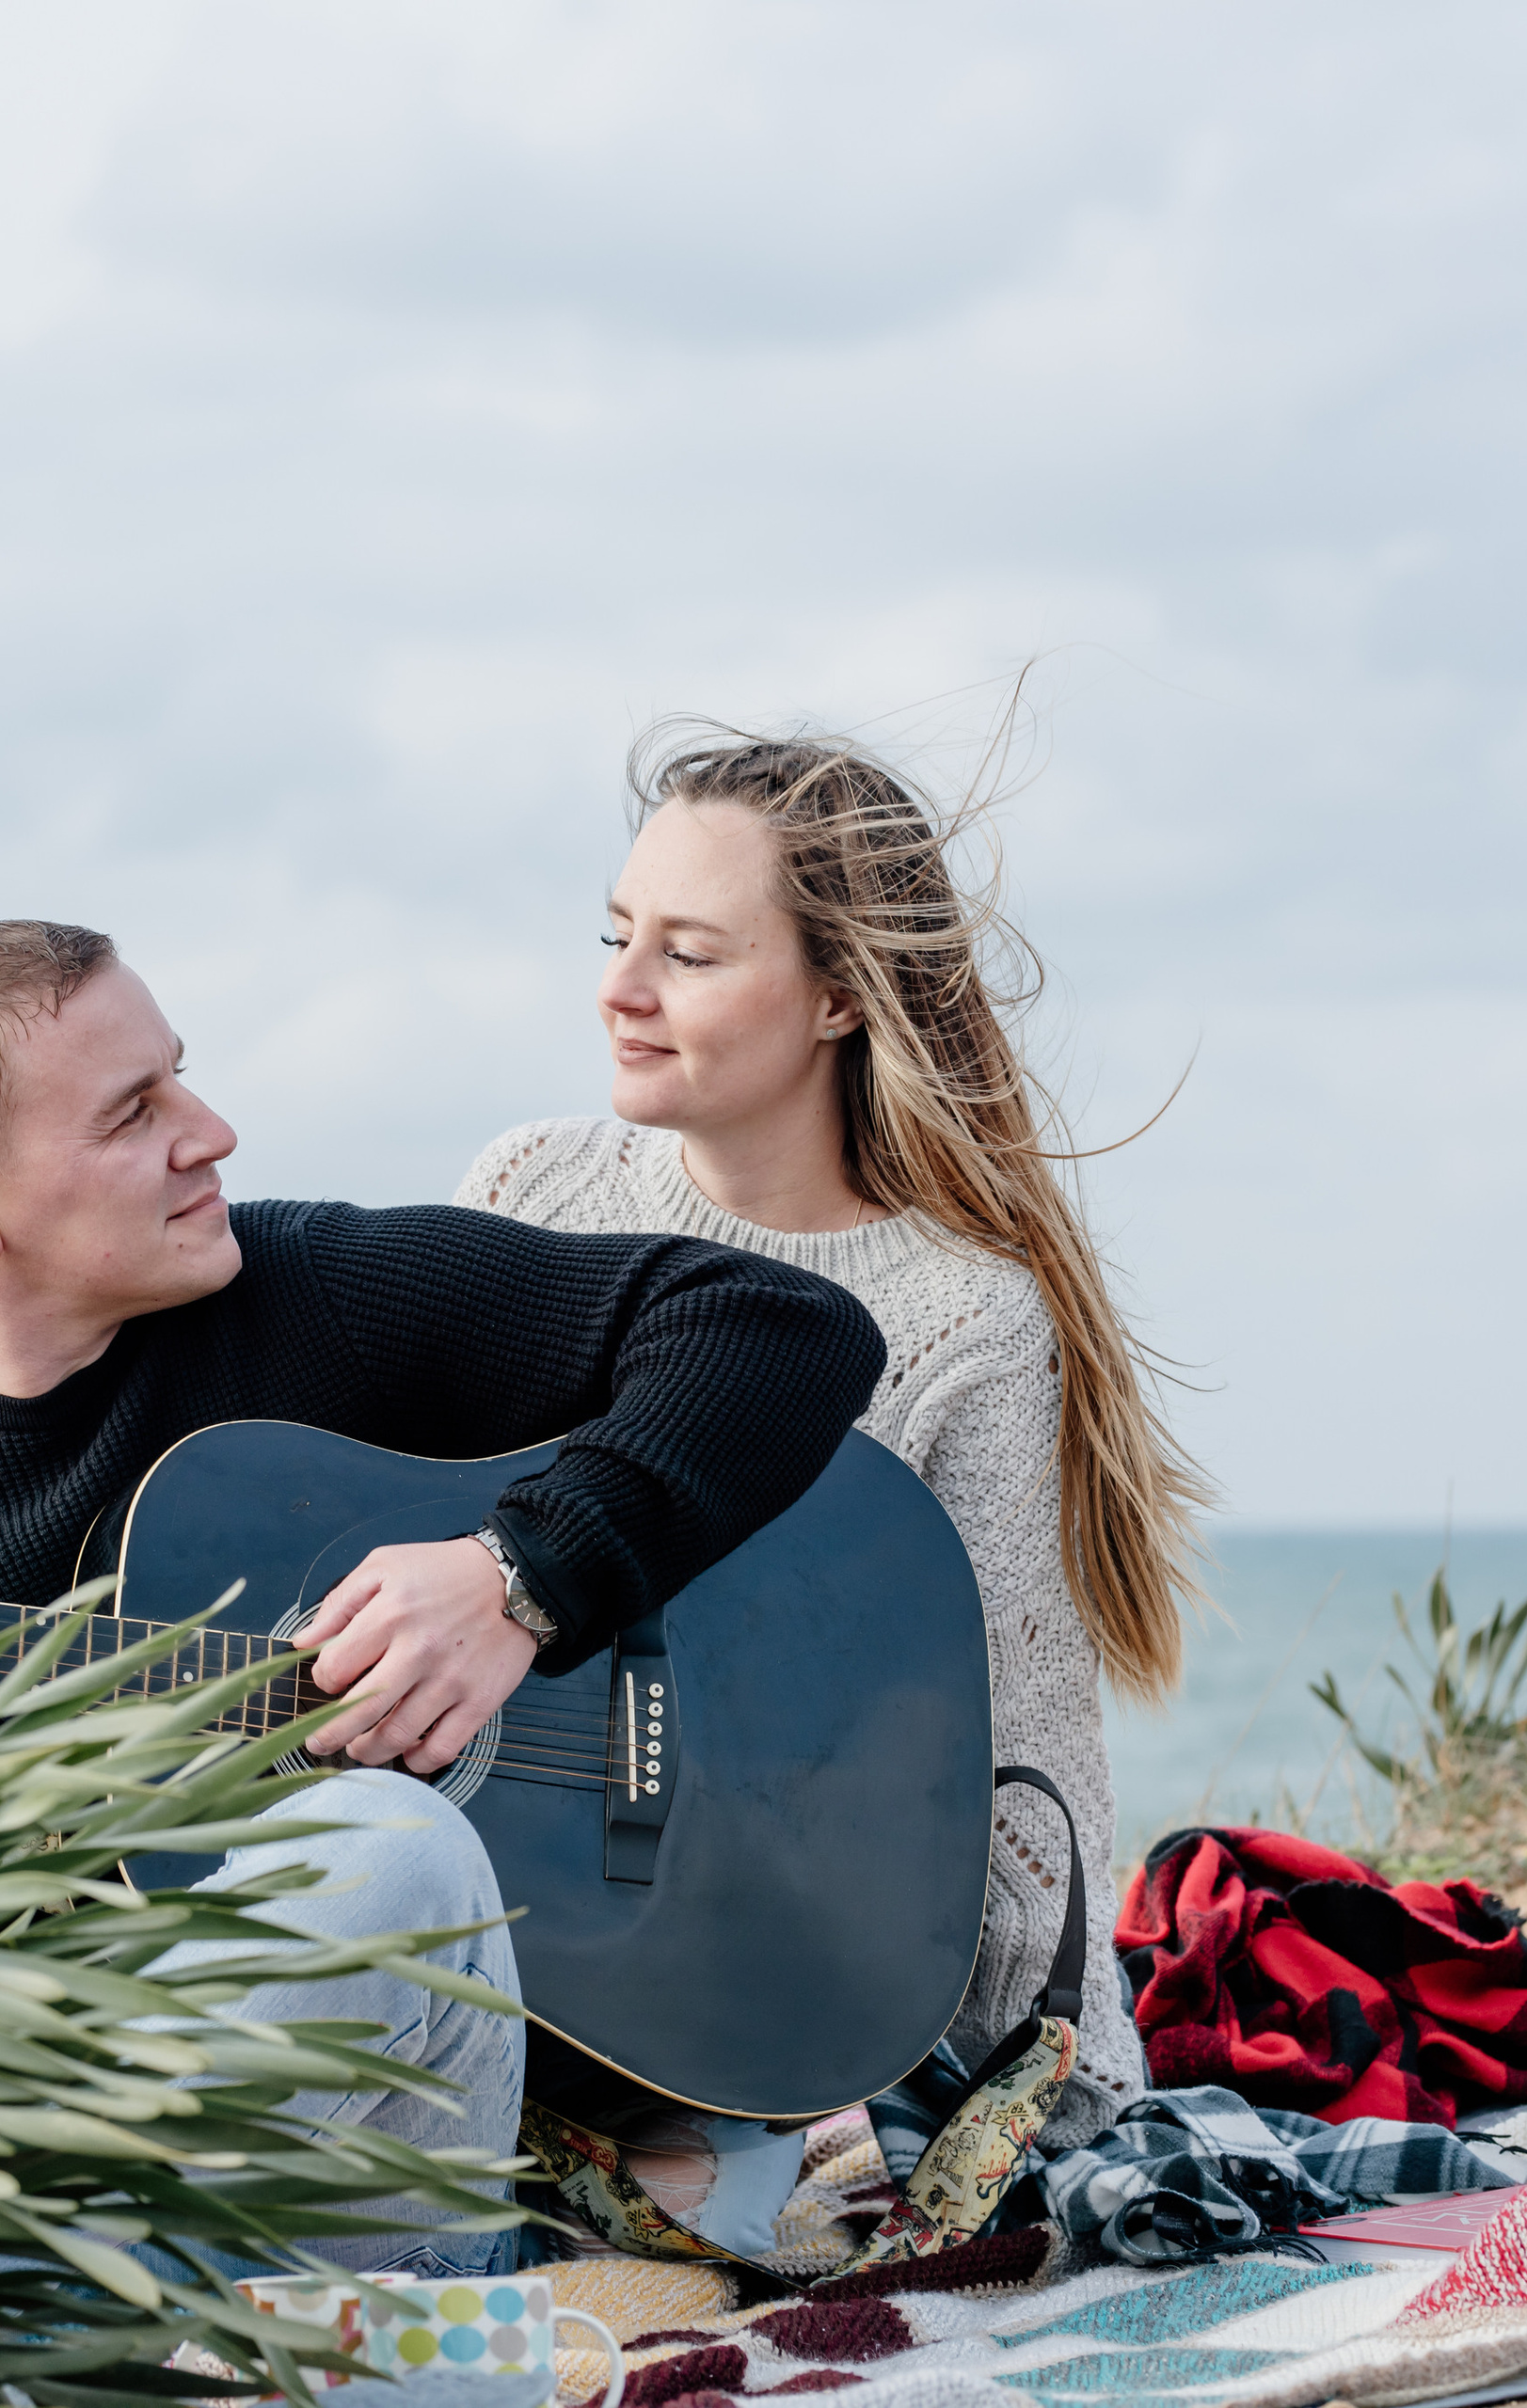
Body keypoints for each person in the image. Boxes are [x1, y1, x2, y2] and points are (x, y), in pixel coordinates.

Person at [0, 918, 883, 2275]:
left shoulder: (300, 1295)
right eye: (133, 1113)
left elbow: (782, 1331)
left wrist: (522, 1578)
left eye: (179, 1078)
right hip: (75, 2134)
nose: (211, 1131)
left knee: (398, 1848)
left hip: (398, 2177)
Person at [457, 728, 1211, 2147]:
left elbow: (1022, 1753)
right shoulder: (527, 1188)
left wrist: (1054, 2081)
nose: (619, 991)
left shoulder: (964, 1320)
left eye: (689, 954)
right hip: (506, 1933)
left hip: (762, 1981)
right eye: (619, 935)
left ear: (839, 1001)